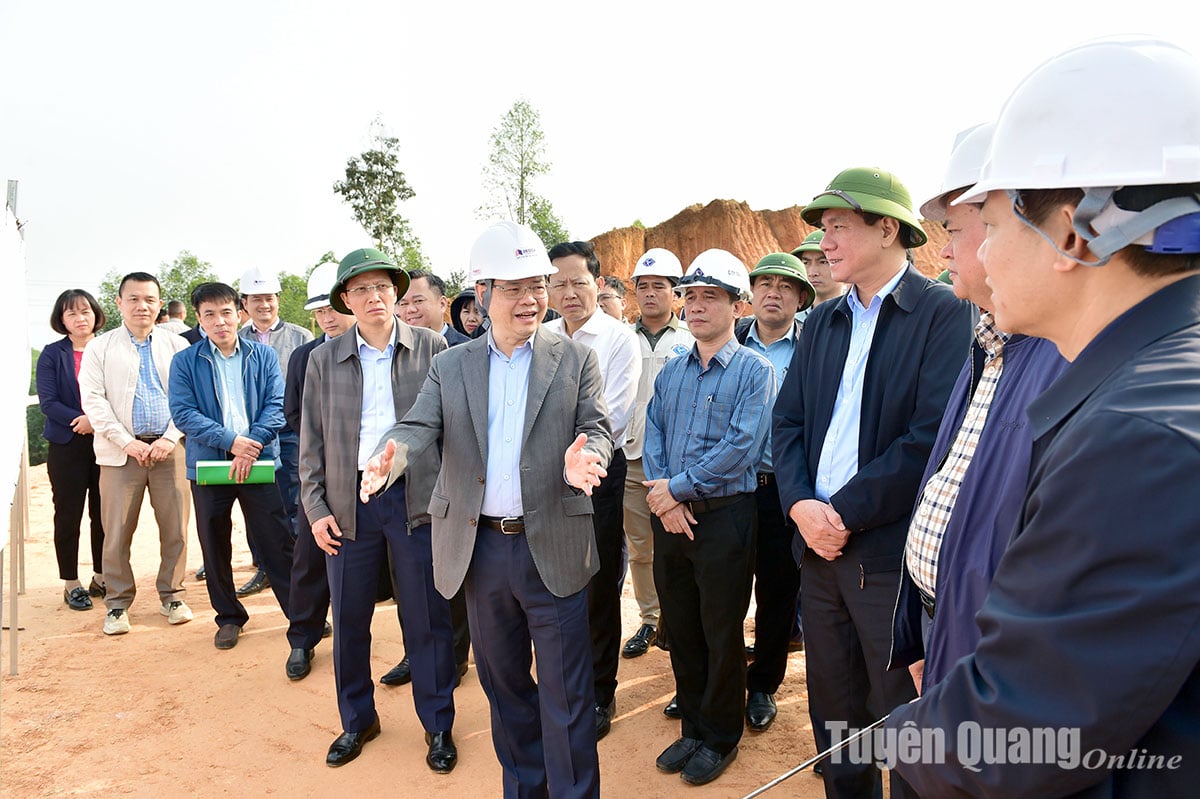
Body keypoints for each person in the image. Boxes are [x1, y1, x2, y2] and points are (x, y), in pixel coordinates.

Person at [886, 37, 1200, 797]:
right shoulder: (1161, 377)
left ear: (1072, 230)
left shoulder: (1135, 437)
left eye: (990, 223)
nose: (982, 257)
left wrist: (895, 732)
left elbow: (1014, 733)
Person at [359, 220, 612, 798]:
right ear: (483, 294)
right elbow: (417, 426)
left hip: (553, 545)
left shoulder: (573, 360)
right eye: (514, 288)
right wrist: (389, 456)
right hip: (481, 551)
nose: (531, 300)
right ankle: (525, 788)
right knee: (504, 688)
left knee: (568, 694)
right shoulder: (452, 366)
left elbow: (596, 429)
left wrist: (586, 459)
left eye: (537, 286)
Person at [772, 168, 973, 799]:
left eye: (838, 227)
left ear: (888, 228)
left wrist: (841, 514)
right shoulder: (824, 321)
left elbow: (930, 437)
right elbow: (789, 423)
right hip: (819, 552)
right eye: (824, 230)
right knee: (835, 715)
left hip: (889, 557)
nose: (825, 243)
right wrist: (803, 505)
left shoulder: (942, 312)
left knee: (903, 719)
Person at [889, 123, 1067, 695]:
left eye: (966, 228)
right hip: (944, 628)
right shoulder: (988, 344)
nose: (943, 249)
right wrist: (926, 635)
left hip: (992, 658)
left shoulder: (1064, 355)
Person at [301, 248, 459, 772]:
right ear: (345, 300)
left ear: (397, 294)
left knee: (427, 618)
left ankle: (438, 725)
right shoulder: (323, 359)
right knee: (348, 617)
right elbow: (311, 444)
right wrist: (316, 506)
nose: (375, 298)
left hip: (415, 499)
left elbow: (453, 431)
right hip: (348, 505)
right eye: (362, 290)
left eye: (384, 288)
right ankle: (357, 720)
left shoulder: (433, 348)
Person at [643, 249, 774, 786]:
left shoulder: (754, 371)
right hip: (670, 517)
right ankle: (693, 728)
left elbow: (741, 448)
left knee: (721, 630)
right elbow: (653, 433)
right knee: (683, 626)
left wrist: (672, 490)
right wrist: (666, 498)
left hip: (724, 519)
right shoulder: (673, 370)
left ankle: (720, 736)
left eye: (710, 297)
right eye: (690, 296)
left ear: (737, 305)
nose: (696, 307)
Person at [545, 240, 640, 741]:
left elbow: (614, 418)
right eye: (557, 282)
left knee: (597, 585)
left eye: (578, 281)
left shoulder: (619, 339)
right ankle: (563, 686)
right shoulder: (539, 335)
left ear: (597, 284)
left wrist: (565, 455)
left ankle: (600, 692)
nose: (569, 292)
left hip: (598, 476)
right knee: (549, 583)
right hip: (541, 480)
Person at [168, 282, 296, 652]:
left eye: (226, 312)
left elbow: (277, 404)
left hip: (258, 462)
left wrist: (249, 445)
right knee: (214, 544)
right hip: (209, 466)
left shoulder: (262, 356)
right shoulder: (186, 361)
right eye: (209, 314)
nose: (219, 321)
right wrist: (231, 442)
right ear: (199, 319)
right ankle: (228, 617)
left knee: (277, 542)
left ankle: (300, 615)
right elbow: (183, 413)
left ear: (239, 313)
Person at [79, 272, 192, 636]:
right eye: (133, 299)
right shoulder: (101, 347)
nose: (142, 306)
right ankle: (116, 602)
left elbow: (190, 398)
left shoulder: (177, 346)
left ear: (159, 304)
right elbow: (94, 401)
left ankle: (172, 595)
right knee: (115, 532)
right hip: (119, 453)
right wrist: (126, 441)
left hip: (169, 450)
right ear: (119, 303)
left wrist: (170, 437)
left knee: (175, 528)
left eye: (149, 299)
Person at [734, 252, 815, 732]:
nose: (773, 292)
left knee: (779, 591)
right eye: (764, 283)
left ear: (801, 298)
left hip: (786, 491)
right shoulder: (730, 342)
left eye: (785, 286)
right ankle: (717, 680)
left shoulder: (813, 348)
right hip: (732, 487)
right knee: (724, 588)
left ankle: (763, 683)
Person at [620, 249, 694, 667]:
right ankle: (650, 618)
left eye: (659, 287)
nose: (650, 294)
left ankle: (677, 620)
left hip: (679, 466)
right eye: (643, 287)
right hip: (633, 458)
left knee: (681, 547)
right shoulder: (622, 339)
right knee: (641, 547)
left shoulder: (690, 340)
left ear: (676, 294)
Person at [282, 262, 350, 679]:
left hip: (376, 481)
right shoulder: (304, 357)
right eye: (319, 311)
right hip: (320, 482)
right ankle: (302, 640)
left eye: (332, 308)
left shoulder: (373, 351)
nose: (327, 317)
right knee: (308, 561)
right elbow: (294, 414)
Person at [237, 266, 314, 596]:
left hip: (292, 432)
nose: (264, 305)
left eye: (269, 298)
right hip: (252, 436)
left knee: (295, 500)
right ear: (244, 303)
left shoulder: (300, 337)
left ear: (278, 300)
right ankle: (264, 567)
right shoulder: (237, 338)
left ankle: (297, 567)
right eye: (256, 299)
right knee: (257, 503)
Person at [37, 289, 108, 610]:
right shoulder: (53, 354)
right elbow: (49, 402)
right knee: (68, 514)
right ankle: (71, 582)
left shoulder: (108, 348)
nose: (80, 319)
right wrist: (82, 419)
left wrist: (97, 421)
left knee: (104, 513)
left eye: (85, 312)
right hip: (67, 443)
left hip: (106, 441)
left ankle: (102, 575)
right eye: (72, 314)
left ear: (96, 314)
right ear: (61, 320)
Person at [395, 268, 470, 346]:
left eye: (418, 301)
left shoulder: (469, 350)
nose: (410, 310)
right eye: (404, 304)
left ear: (442, 304)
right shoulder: (393, 349)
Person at [791, 231, 844, 315]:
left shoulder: (858, 314)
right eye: (806, 263)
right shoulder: (791, 318)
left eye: (823, 262)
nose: (812, 273)